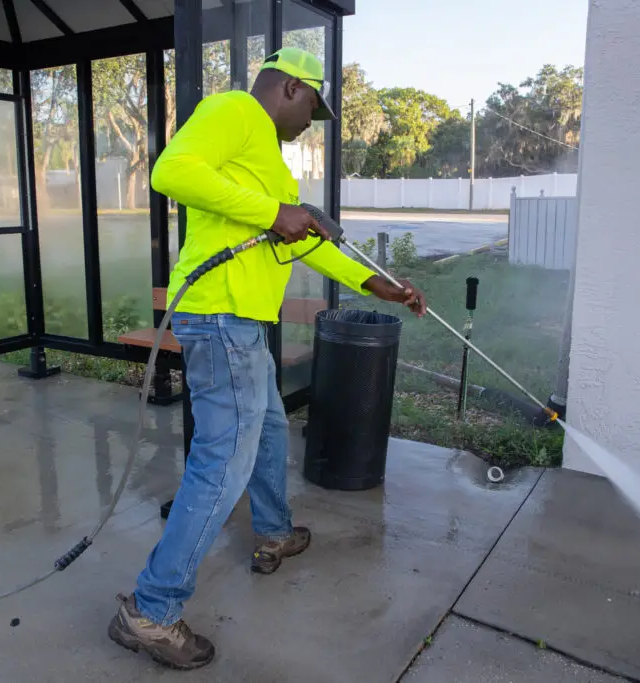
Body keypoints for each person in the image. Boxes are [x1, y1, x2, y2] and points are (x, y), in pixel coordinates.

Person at [107, 47, 427, 671]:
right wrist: (275, 212)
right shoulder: (234, 111)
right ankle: (152, 611)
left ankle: (275, 530)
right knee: (222, 463)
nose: (313, 119)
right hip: (220, 316)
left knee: (270, 427)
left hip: (241, 326)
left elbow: (310, 242)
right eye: (313, 106)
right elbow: (171, 171)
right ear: (287, 88)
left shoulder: (271, 167)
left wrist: (377, 284)